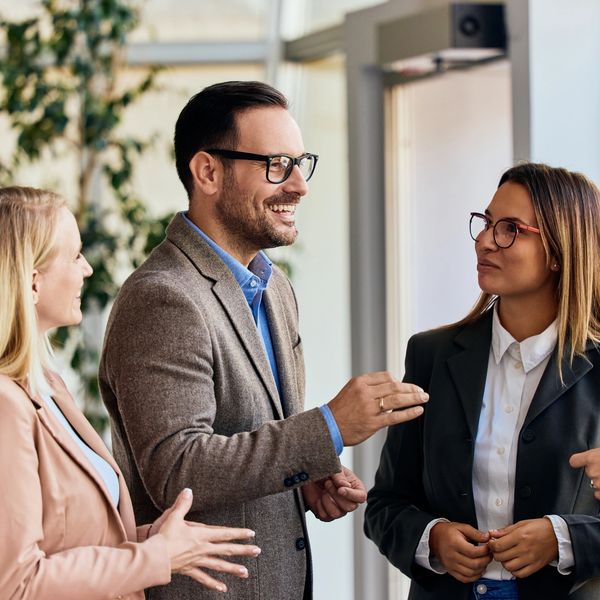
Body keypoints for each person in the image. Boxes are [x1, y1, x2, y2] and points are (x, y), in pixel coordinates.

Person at [98, 80, 428, 599]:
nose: (299, 185)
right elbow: (178, 469)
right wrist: (328, 429)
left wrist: (307, 475)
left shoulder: (273, 286)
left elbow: (254, 433)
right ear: (207, 171)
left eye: (301, 163)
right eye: (277, 165)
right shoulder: (163, 299)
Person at [0, 186, 262, 599]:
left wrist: (150, 539)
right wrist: (156, 557)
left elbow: (69, 543)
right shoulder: (6, 406)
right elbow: (18, 583)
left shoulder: (46, 386)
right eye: (75, 256)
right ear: (32, 283)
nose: (87, 269)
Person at [365, 162, 600, 600]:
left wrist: (562, 540)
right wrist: (431, 538)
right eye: (487, 222)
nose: (485, 240)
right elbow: (385, 506)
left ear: (558, 251)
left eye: (510, 228)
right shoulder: (430, 355)